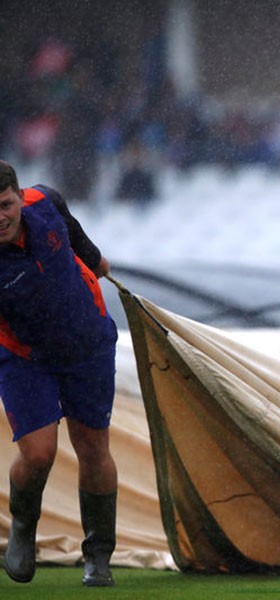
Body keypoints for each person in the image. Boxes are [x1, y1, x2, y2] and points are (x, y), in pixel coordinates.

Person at [0, 160, 119, 586]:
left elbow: (66, 216)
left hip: (88, 344)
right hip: (26, 357)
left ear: (17, 197)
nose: (1, 216)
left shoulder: (42, 201)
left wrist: (94, 258)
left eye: (5, 204)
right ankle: (22, 527)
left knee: (93, 447)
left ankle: (98, 554)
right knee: (38, 453)